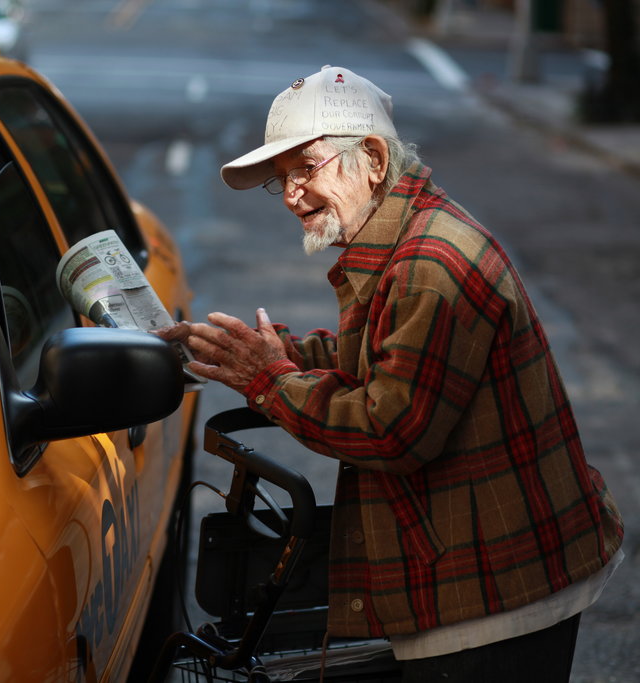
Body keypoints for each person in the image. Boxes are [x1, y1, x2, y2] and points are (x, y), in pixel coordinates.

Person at [158, 65, 624, 681]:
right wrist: (264, 353)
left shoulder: (432, 264)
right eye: (281, 179)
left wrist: (266, 379)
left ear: (373, 158)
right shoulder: (402, 239)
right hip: (478, 571)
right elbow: (375, 354)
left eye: (305, 169)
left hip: (496, 590)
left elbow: (390, 430)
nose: (292, 195)